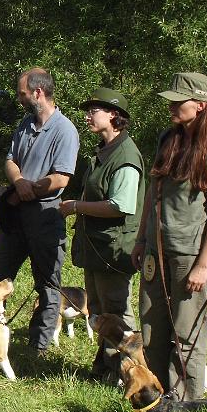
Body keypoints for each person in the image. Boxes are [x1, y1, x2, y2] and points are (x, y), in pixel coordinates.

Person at [131, 72, 207, 401]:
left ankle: (186, 401)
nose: (172, 106)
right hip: (155, 251)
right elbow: (153, 193)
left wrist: (204, 264)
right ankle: (155, 395)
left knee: (186, 333)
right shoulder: (167, 139)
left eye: (179, 101)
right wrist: (141, 239)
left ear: (201, 105)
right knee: (152, 329)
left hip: (190, 255)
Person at [0, 68, 79, 354]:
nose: (19, 98)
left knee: (47, 286)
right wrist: (20, 182)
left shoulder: (65, 131)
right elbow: (10, 160)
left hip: (45, 219)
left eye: (22, 93)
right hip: (15, 219)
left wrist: (31, 190)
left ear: (38, 93)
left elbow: (62, 178)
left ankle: (39, 348)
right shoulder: (25, 124)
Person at [59, 87, 144, 381]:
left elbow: (121, 205)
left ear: (114, 115)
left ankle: (132, 373)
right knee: (97, 310)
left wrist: (75, 206)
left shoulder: (126, 156)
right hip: (96, 248)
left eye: (94, 111)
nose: (87, 116)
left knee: (117, 312)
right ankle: (107, 367)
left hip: (114, 249)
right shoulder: (104, 151)